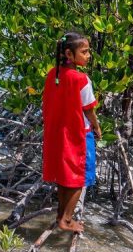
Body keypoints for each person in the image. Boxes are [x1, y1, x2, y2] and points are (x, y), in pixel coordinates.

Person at [42, 31, 102, 233]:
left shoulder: (53, 74)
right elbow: (89, 109)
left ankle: (61, 215)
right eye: (84, 52)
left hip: (58, 135)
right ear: (69, 54)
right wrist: (97, 126)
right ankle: (66, 220)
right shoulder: (81, 79)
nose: (88, 56)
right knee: (79, 179)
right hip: (79, 136)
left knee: (65, 177)